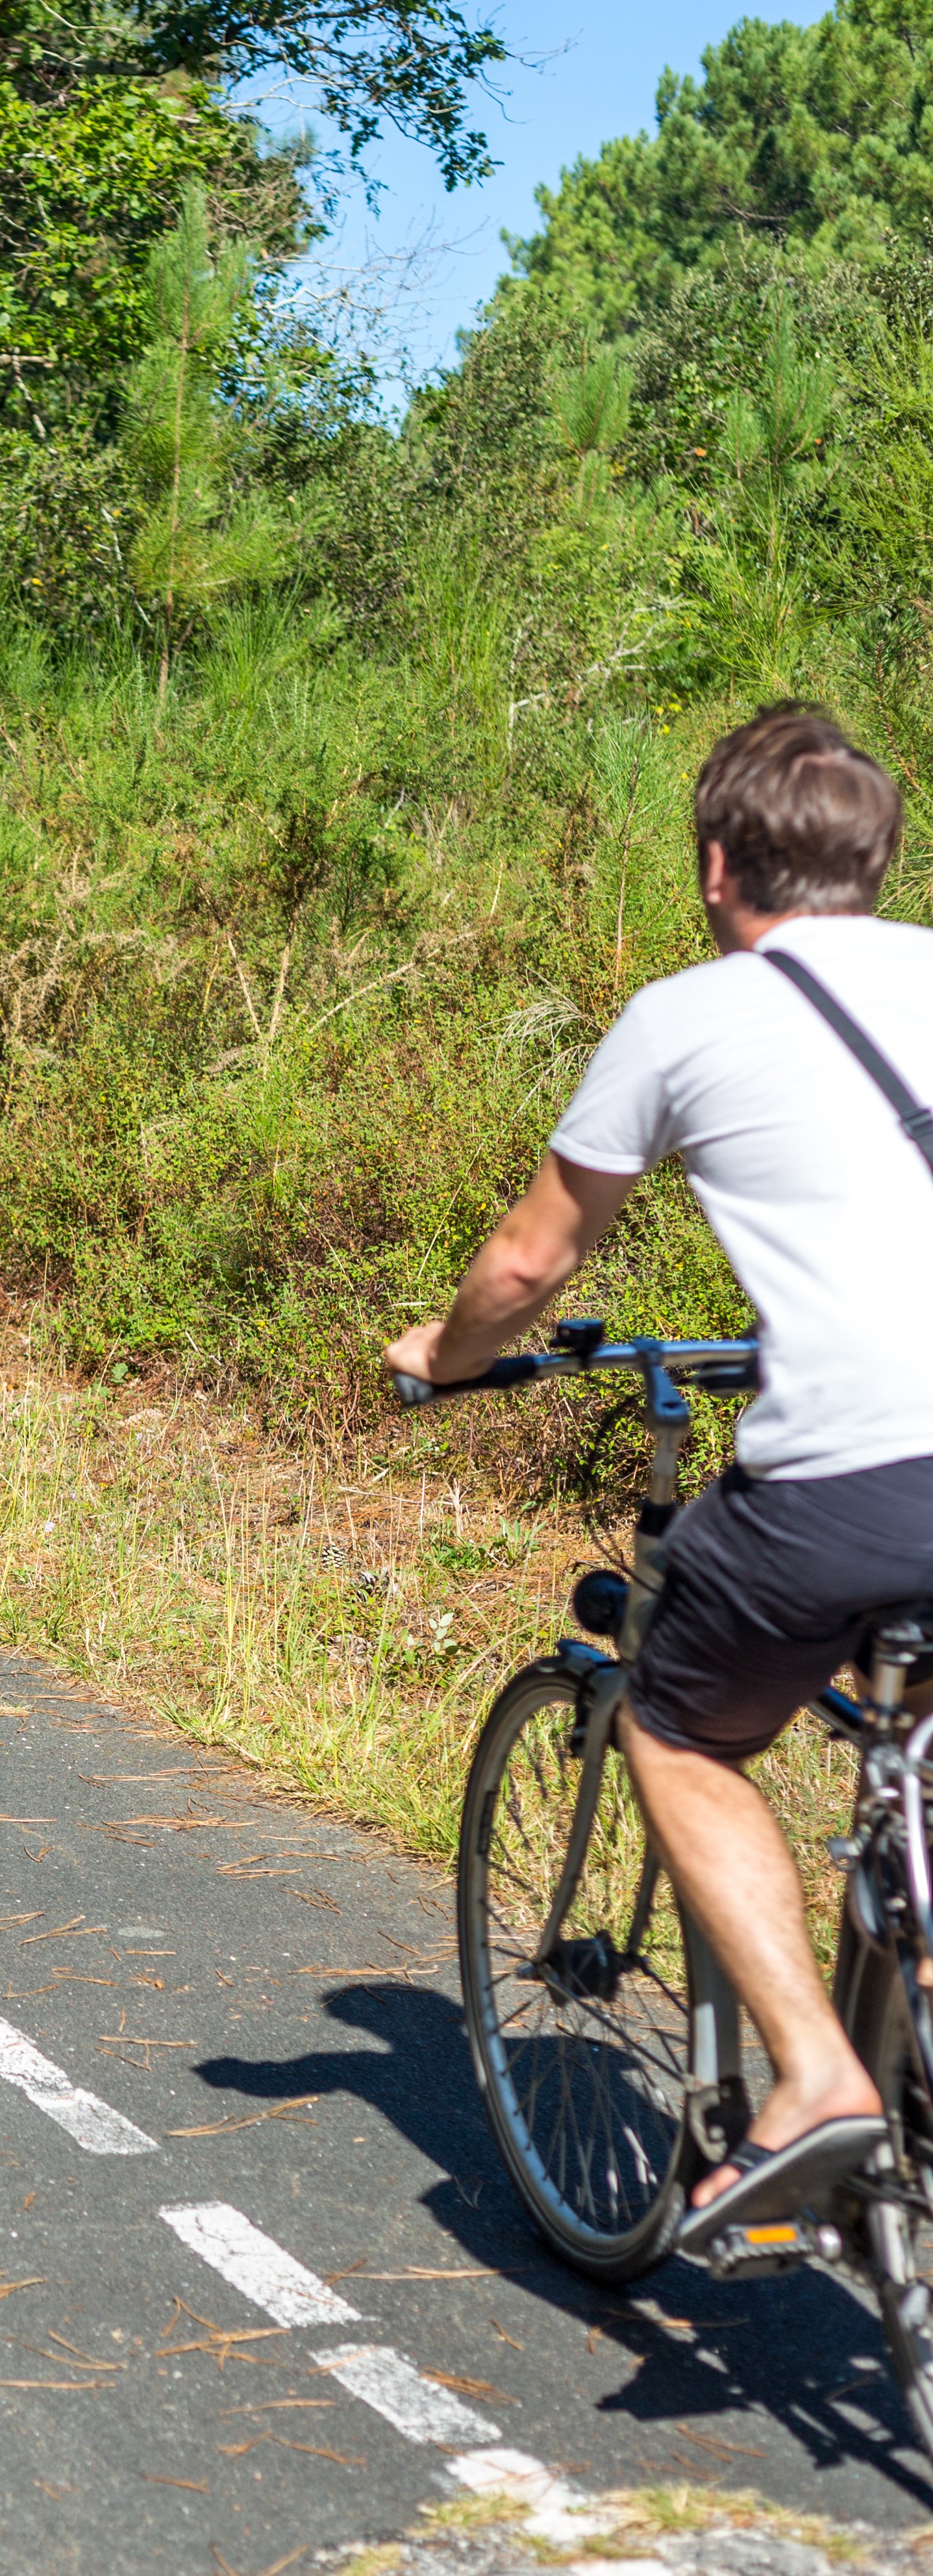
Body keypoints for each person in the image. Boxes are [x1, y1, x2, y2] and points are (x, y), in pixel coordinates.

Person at [384, 704, 933, 2249]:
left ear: (715, 865)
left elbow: (529, 1258)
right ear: (877, 858)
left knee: (684, 1726)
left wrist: (444, 1349)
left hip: (868, 1462)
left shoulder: (688, 1012)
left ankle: (818, 2074)